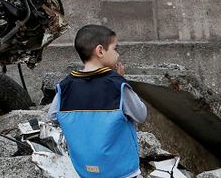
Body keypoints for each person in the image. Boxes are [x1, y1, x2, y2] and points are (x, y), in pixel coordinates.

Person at [47, 24, 148, 178]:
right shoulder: (117, 86)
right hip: (122, 171)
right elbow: (140, 115)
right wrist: (122, 80)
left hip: (84, 171)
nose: (118, 54)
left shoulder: (65, 87)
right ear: (100, 50)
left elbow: (53, 116)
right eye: (115, 48)